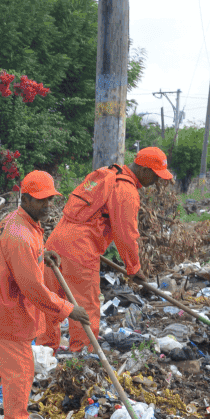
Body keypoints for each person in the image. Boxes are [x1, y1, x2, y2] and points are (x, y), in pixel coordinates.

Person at [38, 146, 173, 352]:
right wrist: (134, 269)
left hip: (55, 242)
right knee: (85, 307)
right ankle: (82, 358)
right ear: (145, 170)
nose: (155, 183)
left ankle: (43, 354)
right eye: (155, 177)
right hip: (80, 249)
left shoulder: (107, 174)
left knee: (50, 303)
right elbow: (126, 235)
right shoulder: (126, 190)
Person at [0, 171, 75, 419]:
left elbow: (24, 261)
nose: (47, 205)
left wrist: (43, 255)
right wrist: (70, 310)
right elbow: (34, 290)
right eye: (42, 200)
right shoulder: (21, 235)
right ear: (25, 198)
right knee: (20, 369)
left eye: (50, 199)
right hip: (9, 312)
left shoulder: (16, 221)